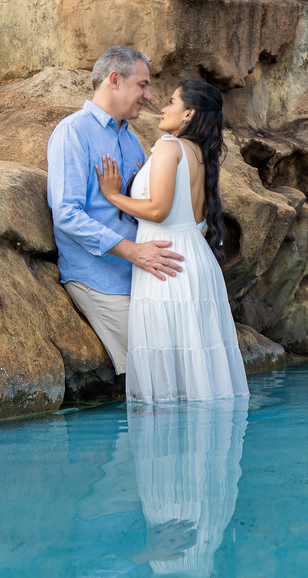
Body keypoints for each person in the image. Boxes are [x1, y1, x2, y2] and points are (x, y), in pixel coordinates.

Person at [96, 80, 249, 402]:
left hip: (166, 263)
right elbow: (199, 223)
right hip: (194, 261)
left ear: (188, 113)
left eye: (171, 102)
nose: (163, 108)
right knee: (197, 366)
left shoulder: (169, 146)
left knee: (168, 367)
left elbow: (159, 211)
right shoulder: (200, 154)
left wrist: (113, 195)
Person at [46, 46, 185, 378]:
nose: (148, 96)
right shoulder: (72, 132)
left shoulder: (133, 142)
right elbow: (65, 214)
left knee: (176, 369)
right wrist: (132, 251)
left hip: (140, 275)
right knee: (150, 376)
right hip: (99, 279)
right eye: (142, 85)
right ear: (114, 80)